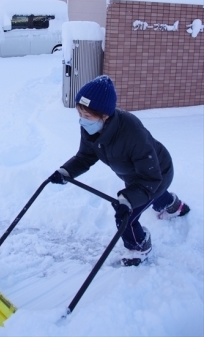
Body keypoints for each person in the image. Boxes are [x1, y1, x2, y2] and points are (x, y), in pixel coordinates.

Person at [50, 75, 190, 266]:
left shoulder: (131, 132)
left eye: (88, 116)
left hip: (158, 172)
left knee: (126, 216)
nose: (82, 121)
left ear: (105, 115)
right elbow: (84, 157)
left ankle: (140, 246)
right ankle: (173, 206)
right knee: (150, 197)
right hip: (134, 175)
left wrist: (128, 200)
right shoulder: (91, 129)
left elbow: (150, 178)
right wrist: (66, 172)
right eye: (80, 114)